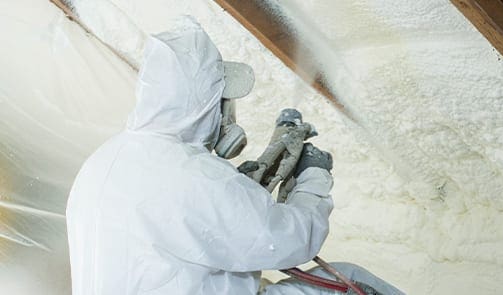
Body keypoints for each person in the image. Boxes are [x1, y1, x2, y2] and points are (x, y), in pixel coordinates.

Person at [66, 18, 402, 295]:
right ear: (204, 105)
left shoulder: (107, 158)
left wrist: (242, 189)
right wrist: (313, 179)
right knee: (347, 280)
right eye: (222, 101)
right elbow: (292, 241)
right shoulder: (193, 176)